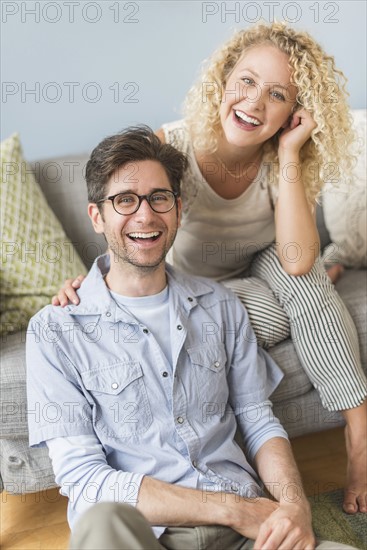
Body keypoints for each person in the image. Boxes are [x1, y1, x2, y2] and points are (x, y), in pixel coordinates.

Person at [54, 22, 367, 515]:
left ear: (293, 113)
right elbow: (128, 225)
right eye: (245, 81)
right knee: (297, 293)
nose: (255, 102)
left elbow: (295, 259)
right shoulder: (172, 148)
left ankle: (358, 439)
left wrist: (287, 152)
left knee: (303, 280)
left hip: (266, 264)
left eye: (278, 94)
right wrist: (93, 284)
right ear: (222, 80)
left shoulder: (283, 160)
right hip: (190, 291)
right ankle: (308, 296)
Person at [27, 126, 360, 550]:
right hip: (147, 536)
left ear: (178, 210)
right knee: (103, 526)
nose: (145, 216)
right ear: (98, 216)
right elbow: (86, 482)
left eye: (158, 198)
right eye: (125, 200)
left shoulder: (220, 305)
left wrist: (294, 506)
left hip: (248, 536)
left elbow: (258, 420)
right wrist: (235, 509)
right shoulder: (55, 331)